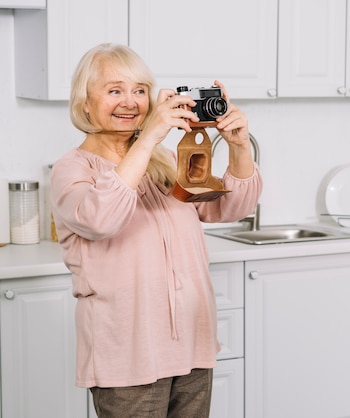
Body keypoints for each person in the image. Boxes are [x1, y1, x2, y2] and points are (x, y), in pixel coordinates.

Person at [50, 43, 262, 417]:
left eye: (139, 90)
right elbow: (102, 218)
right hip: (128, 354)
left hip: (192, 343)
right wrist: (148, 138)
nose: (130, 102)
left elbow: (226, 206)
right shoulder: (72, 169)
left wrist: (239, 146)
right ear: (85, 103)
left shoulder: (164, 161)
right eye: (114, 90)